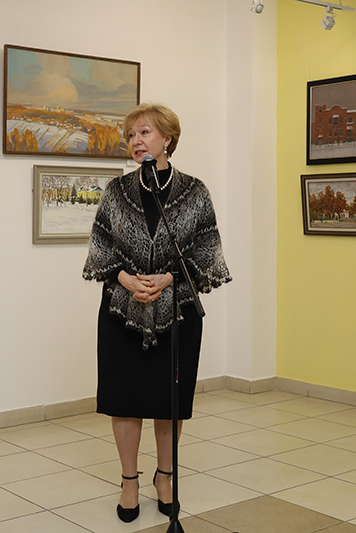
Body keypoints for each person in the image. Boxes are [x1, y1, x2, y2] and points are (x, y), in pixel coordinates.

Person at [83, 103, 231, 523]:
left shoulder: (195, 191)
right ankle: (129, 482)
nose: (136, 141)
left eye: (144, 133)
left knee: (169, 401)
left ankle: (165, 477)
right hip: (122, 310)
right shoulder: (116, 192)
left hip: (178, 312)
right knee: (125, 400)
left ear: (167, 139)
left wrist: (168, 278)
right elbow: (100, 247)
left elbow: (207, 250)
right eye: (131, 135)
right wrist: (127, 279)